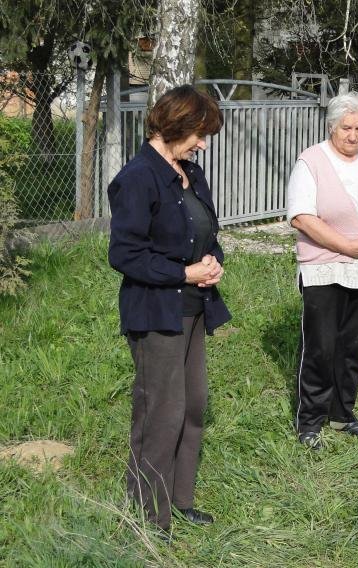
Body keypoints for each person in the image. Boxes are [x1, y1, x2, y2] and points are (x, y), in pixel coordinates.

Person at [107, 85, 231, 532]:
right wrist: (183, 274)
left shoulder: (191, 175)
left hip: (195, 308)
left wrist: (213, 261)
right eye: (199, 133)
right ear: (176, 124)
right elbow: (124, 254)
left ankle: (180, 501)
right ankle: (147, 518)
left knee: (193, 405)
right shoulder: (138, 178)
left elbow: (206, 234)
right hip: (156, 311)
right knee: (162, 411)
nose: (202, 144)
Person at [287, 91, 358, 450]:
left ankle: (342, 414)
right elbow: (301, 217)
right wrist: (347, 246)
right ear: (331, 127)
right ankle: (310, 420)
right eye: (346, 128)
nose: (353, 136)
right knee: (321, 345)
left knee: (354, 345)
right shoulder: (311, 162)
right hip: (324, 266)